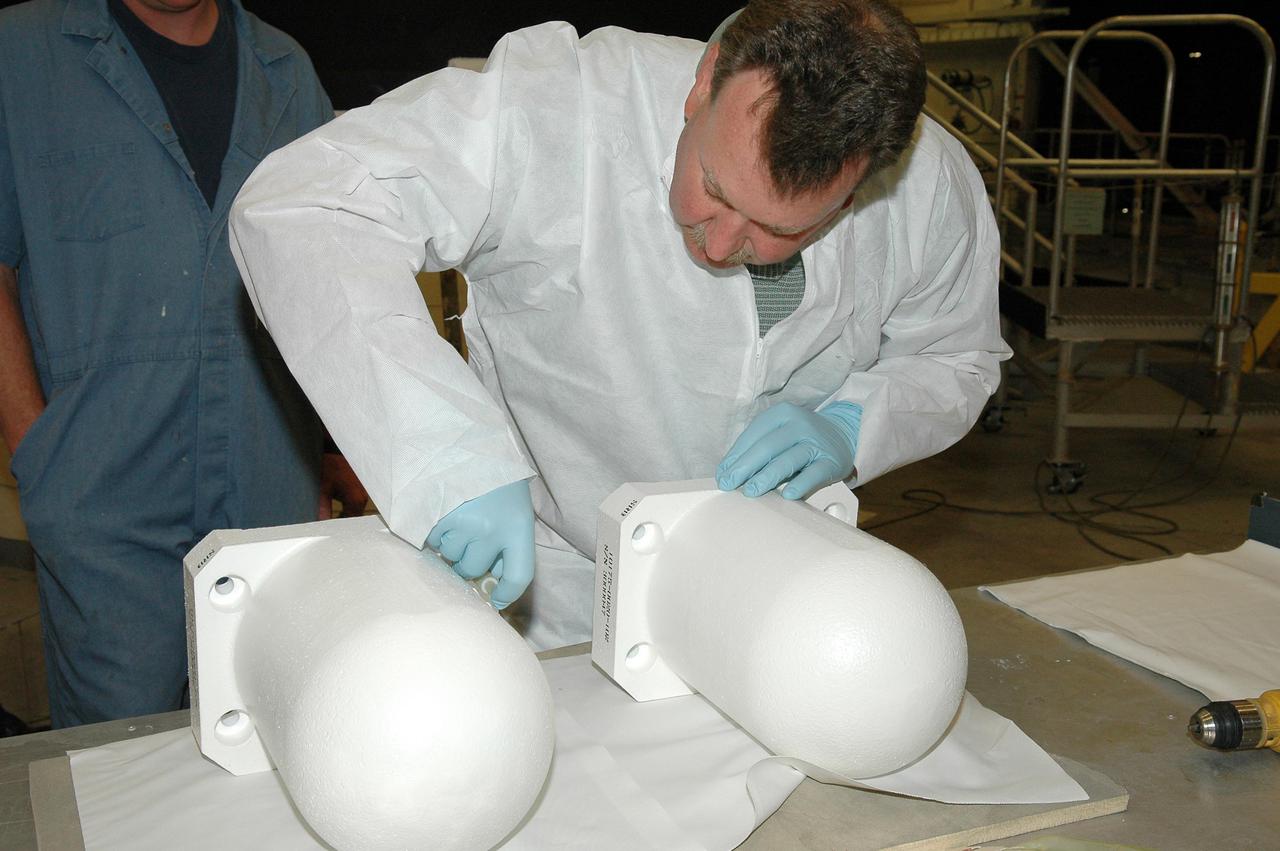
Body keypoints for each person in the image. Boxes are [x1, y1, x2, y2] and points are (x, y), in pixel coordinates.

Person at [230, 0, 1010, 650]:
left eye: (784, 229)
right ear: (704, 83)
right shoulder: (564, 105)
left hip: (779, 583)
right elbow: (308, 204)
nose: (725, 242)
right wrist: (445, 454)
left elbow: (956, 355)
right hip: (560, 590)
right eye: (715, 187)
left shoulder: (930, 187)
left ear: (861, 187)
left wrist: (855, 422)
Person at [0, 0, 365, 727]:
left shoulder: (286, 72)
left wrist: (326, 449)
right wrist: (37, 449)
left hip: (267, 497)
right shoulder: (21, 53)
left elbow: (331, 274)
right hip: (102, 504)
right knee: (121, 766)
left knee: (274, 741)